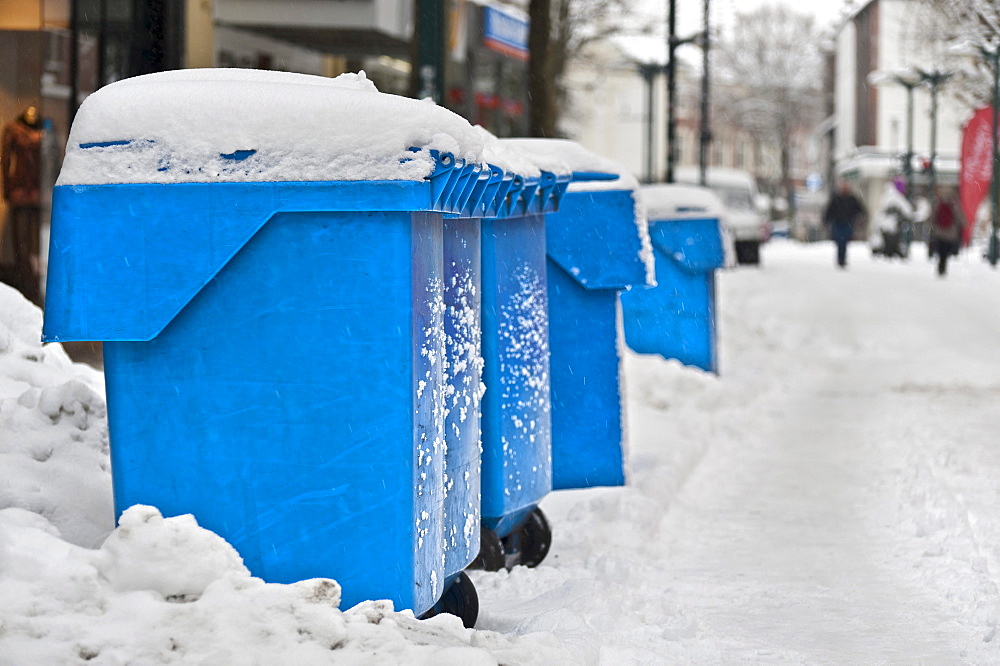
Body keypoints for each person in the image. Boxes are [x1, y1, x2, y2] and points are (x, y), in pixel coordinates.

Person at [1, 104, 43, 304]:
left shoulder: (43, 131)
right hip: (21, 191)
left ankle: (32, 283)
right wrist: (8, 189)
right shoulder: (15, 131)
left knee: (36, 242)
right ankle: (23, 282)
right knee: (21, 242)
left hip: (37, 192)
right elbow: (6, 160)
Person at [823, 181, 866, 268]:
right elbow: (829, 210)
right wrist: (826, 220)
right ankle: (840, 258)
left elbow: (860, 210)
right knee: (839, 241)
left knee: (845, 241)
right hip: (837, 223)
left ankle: (843, 258)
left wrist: (861, 218)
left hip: (848, 223)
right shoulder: (836, 199)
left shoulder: (852, 199)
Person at [873, 177, 913, 258]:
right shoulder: (896, 197)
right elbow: (907, 210)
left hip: (885, 224)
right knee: (892, 244)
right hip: (892, 225)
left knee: (888, 244)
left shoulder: (887, 196)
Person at [929, 188, 963, 276]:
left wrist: (933, 227)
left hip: (939, 232)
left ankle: (941, 265)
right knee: (946, 251)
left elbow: (933, 217)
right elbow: (960, 217)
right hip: (950, 233)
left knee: (941, 251)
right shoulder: (954, 203)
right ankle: (943, 266)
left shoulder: (938, 203)